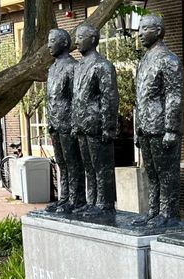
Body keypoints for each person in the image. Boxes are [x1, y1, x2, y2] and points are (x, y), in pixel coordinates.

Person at [132, 14, 184, 227]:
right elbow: (140, 98)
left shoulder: (169, 59)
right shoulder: (144, 61)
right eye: (139, 29)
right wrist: (137, 128)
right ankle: (152, 211)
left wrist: (171, 128)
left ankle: (168, 214)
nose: (140, 33)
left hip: (161, 127)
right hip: (146, 127)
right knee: (151, 173)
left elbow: (175, 95)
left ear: (159, 31)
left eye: (145, 28)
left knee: (166, 173)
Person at [71, 24, 119, 216]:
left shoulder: (103, 65)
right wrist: (75, 123)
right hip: (82, 125)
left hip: (97, 125)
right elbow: (76, 97)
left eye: (80, 37)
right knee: (88, 167)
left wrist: (108, 126)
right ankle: (92, 201)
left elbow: (110, 97)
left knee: (102, 167)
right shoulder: (79, 66)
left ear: (92, 39)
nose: (76, 41)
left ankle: (105, 203)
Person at [45, 29, 85, 214]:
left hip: (68, 122)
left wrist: (76, 122)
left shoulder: (72, 67)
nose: (49, 45)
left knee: (73, 162)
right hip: (55, 123)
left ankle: (76, 199)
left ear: (63, 43)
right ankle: (64, 197)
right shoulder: (52, 68)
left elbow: (77, 99)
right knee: (61, 162)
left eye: (52, 41)